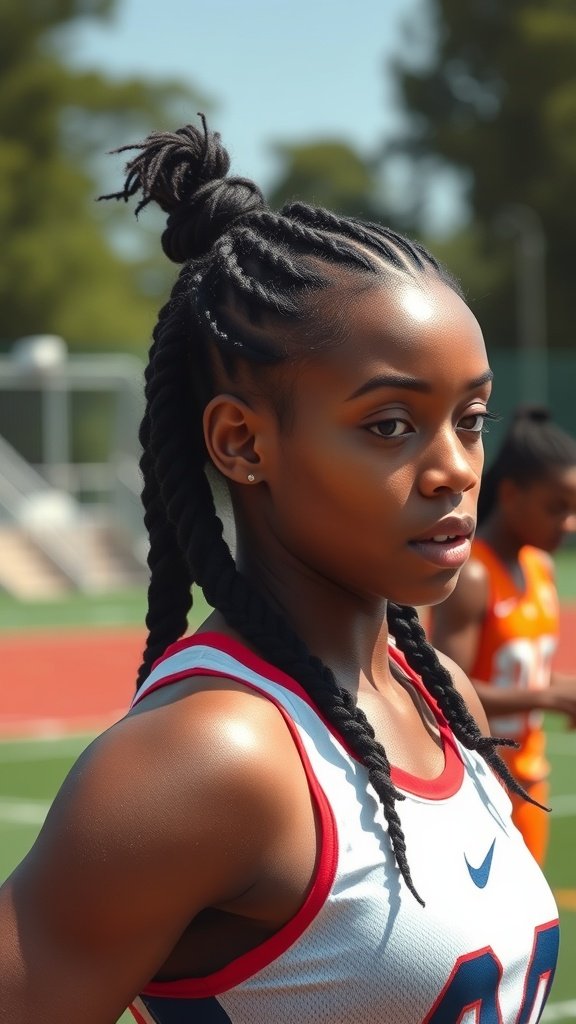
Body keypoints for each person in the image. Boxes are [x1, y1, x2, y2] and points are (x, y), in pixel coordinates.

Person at [0, 117, 559, 1024]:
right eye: (390, 425)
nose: (455, 467)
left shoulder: (440, 688)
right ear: (242, 442)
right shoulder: (212, 757)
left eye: (470, 418)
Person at [431, 406, 576, 866]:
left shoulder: (540, 567)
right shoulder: (475, 575)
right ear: (511, 494)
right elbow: (451, 689)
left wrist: (565, 691)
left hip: (530, 779)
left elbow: (524, 675)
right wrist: (549, 700)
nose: (569, 523)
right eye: (557, 508)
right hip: (482, 781)